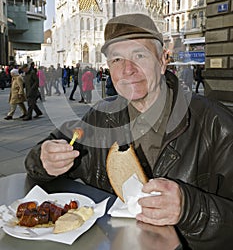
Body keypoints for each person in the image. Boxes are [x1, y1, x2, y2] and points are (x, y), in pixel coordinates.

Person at [25, 13, 233, 250]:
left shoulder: (216, 124)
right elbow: (39, 158)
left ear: (163, 61)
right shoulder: (101, 116)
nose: (127, 70)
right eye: (116, 60)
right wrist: (45, 160)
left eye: (139, 55)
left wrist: (190, 209)